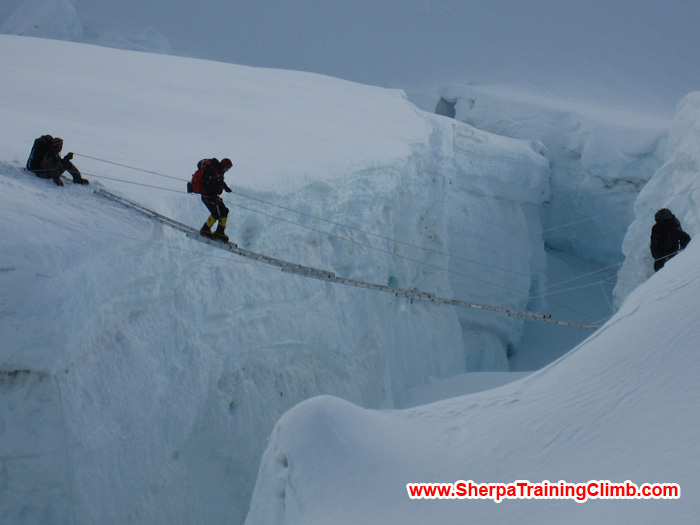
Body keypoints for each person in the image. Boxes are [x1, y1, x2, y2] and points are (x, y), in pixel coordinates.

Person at [199, 157, 233, 242]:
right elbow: (205, 184)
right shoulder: (213, 171)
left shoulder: (219, 172)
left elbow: (220, 181)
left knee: (224, 211)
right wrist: (211, 195)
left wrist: (226, 188)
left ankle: (219, 232)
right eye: (227, 168)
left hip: (213, 196)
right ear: (224, 165)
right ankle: (205, 229)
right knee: (216, 214)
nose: (227, 170)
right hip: (207, 196)